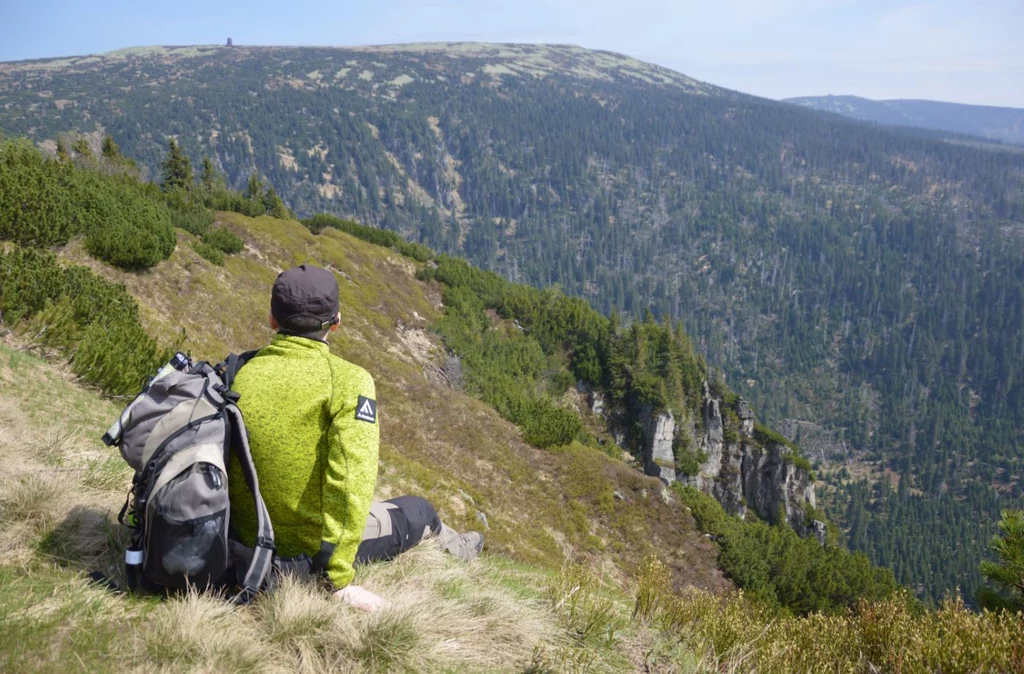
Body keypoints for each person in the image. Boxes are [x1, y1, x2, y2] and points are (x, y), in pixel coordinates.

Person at [227, 264, 482, 612]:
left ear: (272, 318)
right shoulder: (349, 382)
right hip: (304, 554)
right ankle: (461, 549)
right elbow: (351, 482)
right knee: (419, 511)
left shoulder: (238, 371)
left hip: (240, 539)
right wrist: (335, 579)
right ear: (337, 321)